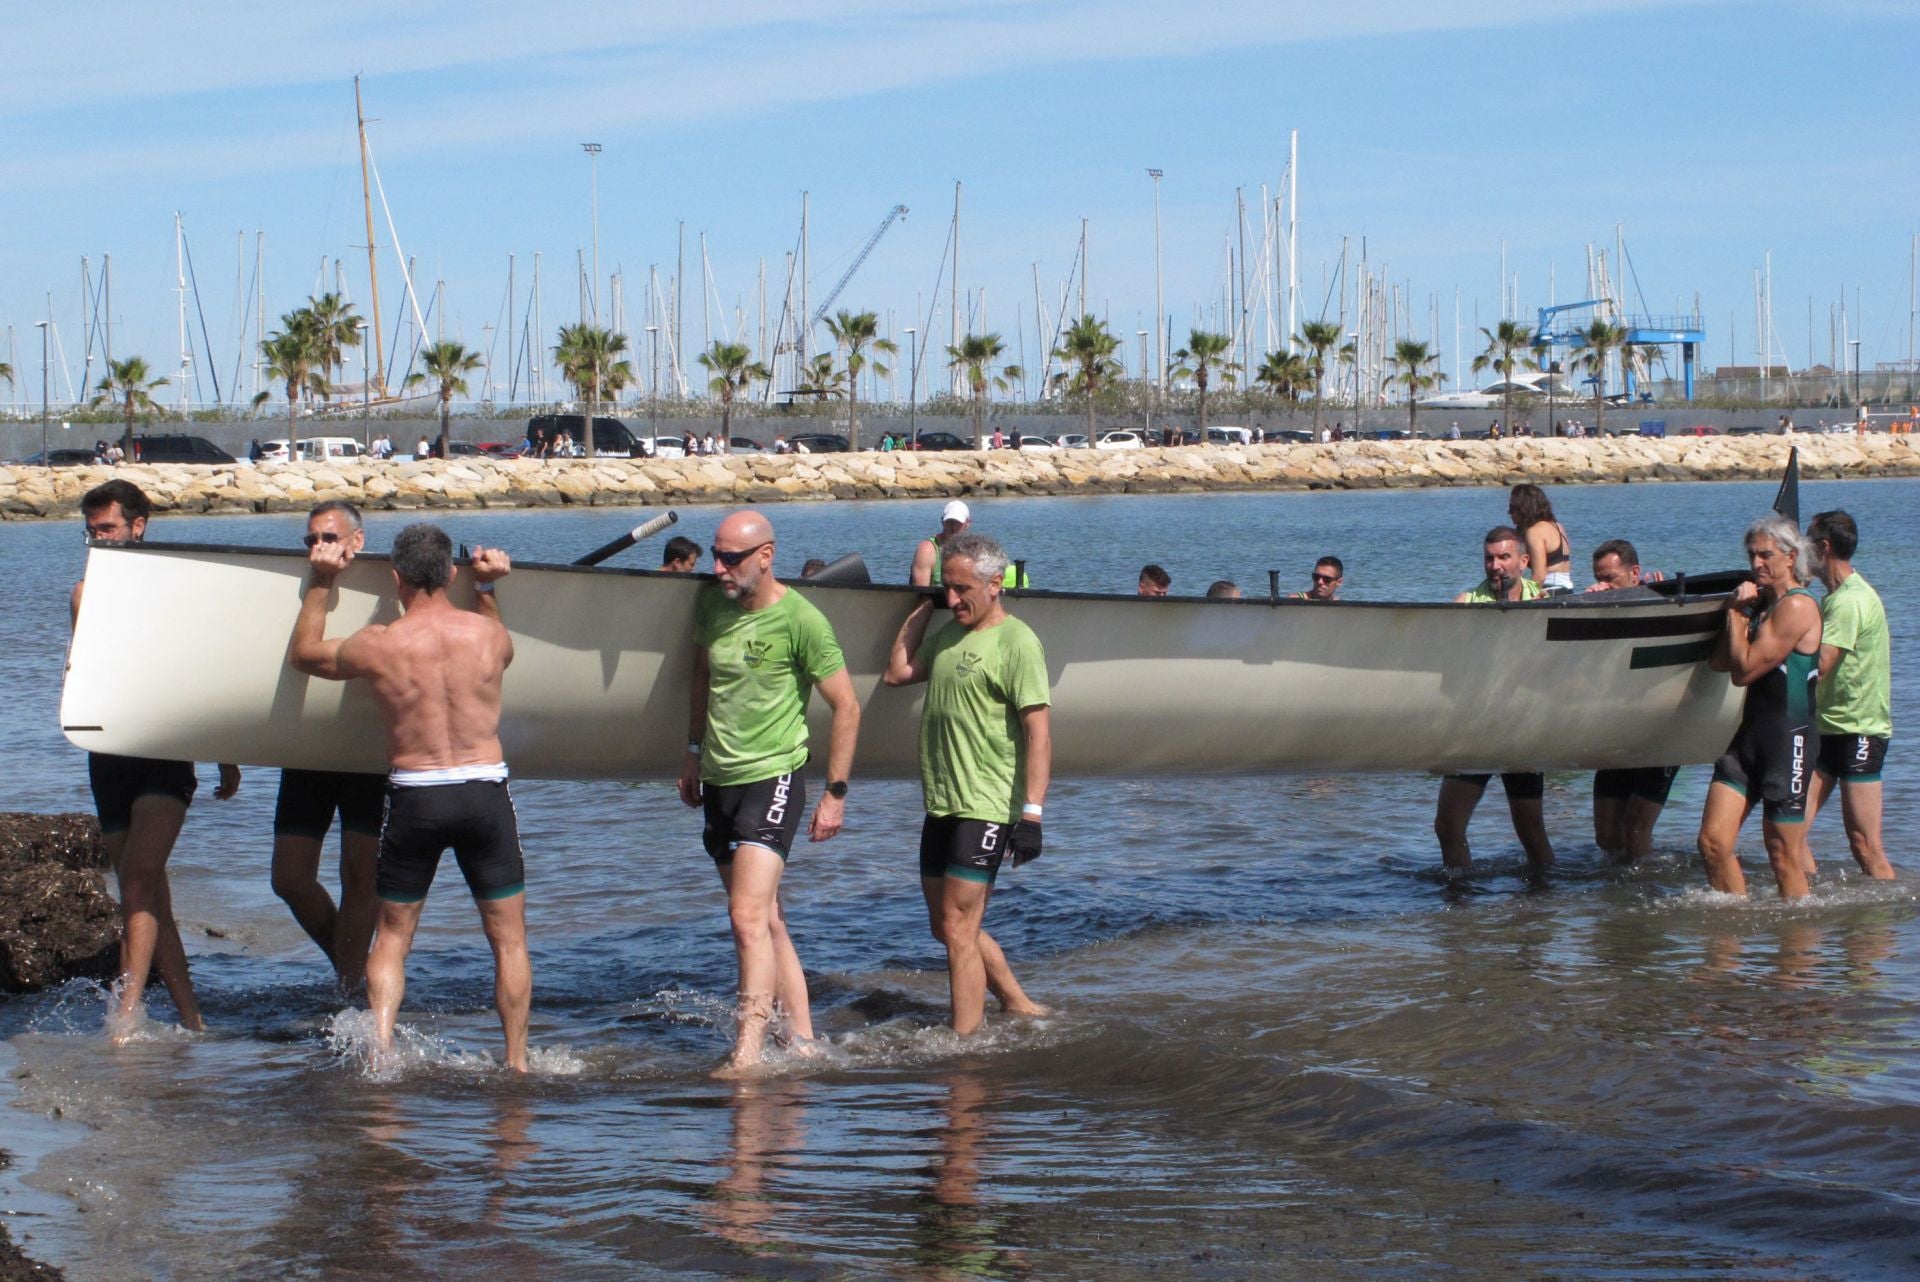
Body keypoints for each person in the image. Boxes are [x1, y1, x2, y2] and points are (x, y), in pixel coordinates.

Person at [290, 522, 531, 1070]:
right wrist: (489, 590)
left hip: (416, 796)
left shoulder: (381, 645)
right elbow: (507, 655)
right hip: (483, 793)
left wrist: (323, 579)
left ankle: (380, 1051)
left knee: (393, 938)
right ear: (451, 573)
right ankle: (516, 1063)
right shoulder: (488, 636)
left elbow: (304, 655)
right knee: (510, 941)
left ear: (395, 578)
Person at [680, 511, 861, 1075]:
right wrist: (691, 752)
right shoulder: (712, 603)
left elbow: (847, 707)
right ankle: (804, 1040)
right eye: (715, 555)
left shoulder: (802, 620)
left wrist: (835, 794)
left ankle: (746, 1056)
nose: (718, 568)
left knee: (745, 918)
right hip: (720, 779)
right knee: (769, 920)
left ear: (766, 555)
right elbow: (702, 678)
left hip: (775, 776)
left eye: (730, 558)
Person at [73, 480, 241, 1040]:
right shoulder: (83, 596)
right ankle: (193, 1019)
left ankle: (125, 1014)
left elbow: (203, 675)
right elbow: (83, 680)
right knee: (146, 894)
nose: (98, 539)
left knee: (141, 876)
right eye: (92, 530)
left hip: (166, 754)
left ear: (137, 526)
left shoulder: (174, 590)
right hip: (109, 757)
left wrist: (226, 754)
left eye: (108, 529)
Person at [884, 532, 1050, 1034]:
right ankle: (1017, 1003)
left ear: (995, 584)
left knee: (958, 927)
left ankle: (964, 1045)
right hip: (942, 801)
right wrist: (923, 603)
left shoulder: (1017, 642)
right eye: (946, 589)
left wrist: (1032, 815)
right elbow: (897, 672)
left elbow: (1038, 733)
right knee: (947, 926)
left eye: (960, 590)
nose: (952, 600)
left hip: (987, 803)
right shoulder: (951, 634)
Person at [271, 501, 386, 989]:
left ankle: (348, 989)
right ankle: (354, 971)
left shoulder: (383, 580)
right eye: (311, 540)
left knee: (360, 877)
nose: (318, 549)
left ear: (357, 541)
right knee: (289, 878)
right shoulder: (300, 582)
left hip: (365, 751)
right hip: (308, 747)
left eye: (329, 539)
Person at [1697, 514, 1822, 899]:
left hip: (1789, 741)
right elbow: (1720, 662)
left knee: (1782, 853)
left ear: (1791, 556)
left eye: (1765, 555)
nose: (1756, 565)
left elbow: (1744, 671)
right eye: (1751, 555)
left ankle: (1796, 950)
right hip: (1748, 738)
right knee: (1713, 844)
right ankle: (1734, 932)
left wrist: (1735, 615)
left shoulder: (1798, 607)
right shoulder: (1763, 606)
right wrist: (1741, 615)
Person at [1433, 527, 1552, 875]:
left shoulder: (1545, 602)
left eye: (1504, 557)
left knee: (1531, 830)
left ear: (1524, 561)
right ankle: (1460, 900)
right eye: (1489, 558)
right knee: (1447, 826)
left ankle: (1546, 901)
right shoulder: (1465, 603)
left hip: (1524, 728)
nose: (1495, 565)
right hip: (1477, 728)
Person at [1804, 510, 1895, 879]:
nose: (1798, 552)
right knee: (1788, 831)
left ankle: (1882, 925)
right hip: (1826, 728)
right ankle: (1806, 910)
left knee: (1864, 844)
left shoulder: (1848, 601)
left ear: (1824, 548)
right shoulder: (1834, 597)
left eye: (1805, 543)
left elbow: (1820, 666)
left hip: (1860, 731)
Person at [1583, 539, 1681, 862]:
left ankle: (1643, 895)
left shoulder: (1659, 603)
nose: (1603, 585)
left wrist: (1653, 593)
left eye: (1610, 578)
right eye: (1599, 577)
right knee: (1605, 836)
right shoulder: (1597, 606)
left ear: (1634, 573)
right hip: (1618, 730)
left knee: (1636, 827)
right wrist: (1589, 608)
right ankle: (1617, 895)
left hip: (1661, 731)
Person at [1508, 483, 1574, 592]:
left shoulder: (1535, 532)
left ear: (1523, 508)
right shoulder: (1557, 526)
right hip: (1566, 589)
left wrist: (1524, 597)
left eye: (1512, 508)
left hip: (1550, 590)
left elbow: (1540, 576)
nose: (1509, 513)